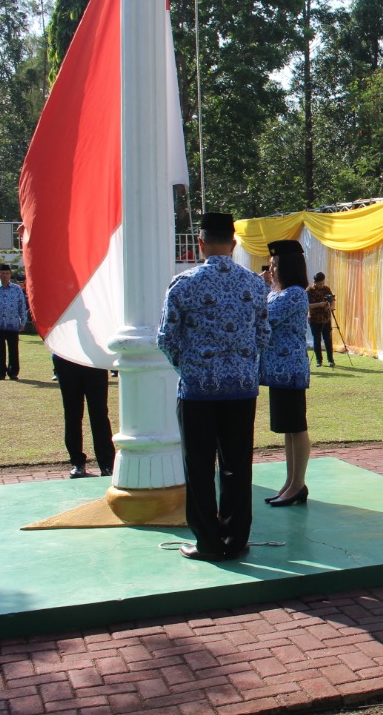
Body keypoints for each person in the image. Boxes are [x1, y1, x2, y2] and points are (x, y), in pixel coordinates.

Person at [158, 212, 270, 562]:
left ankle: (208, 542)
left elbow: (166, 338)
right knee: (238, 464)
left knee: (200, 467)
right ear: (234, 244)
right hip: (241, 390)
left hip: (197, 393)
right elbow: (263, 335)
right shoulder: (254, 284)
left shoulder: (184, 283)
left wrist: (189, 368)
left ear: (200, 243)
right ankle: (236, 540)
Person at [261, 239, 313, 507]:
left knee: (296, 427)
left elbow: (265, 316)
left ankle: (298, 484)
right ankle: (290, 482)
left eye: (276, 263)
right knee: (287, 430)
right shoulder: (276, 291)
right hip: (277, 370)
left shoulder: (294, 293)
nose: (271, 268)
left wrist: (259, 287)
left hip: (290, 368)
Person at [53, 354, 114, 479]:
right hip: (65, 360)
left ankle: (106, 465)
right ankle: (77, 463)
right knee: (72, 414)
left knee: (99, 414)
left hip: (94, 360)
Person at [307, 271, 336, 367]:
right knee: (317, 339)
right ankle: (319, 360)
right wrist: (319, 304)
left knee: (328, 339)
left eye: (323, 283)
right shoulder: (309, 291)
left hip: (326, 318)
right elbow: (306, 305)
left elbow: (332, 300)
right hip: (315, 319)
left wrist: (331, 306)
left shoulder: (327, 289)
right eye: (320, 283)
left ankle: (330, 360)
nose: (322, 285)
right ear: (315, 282)